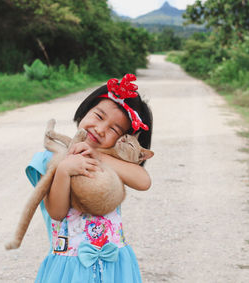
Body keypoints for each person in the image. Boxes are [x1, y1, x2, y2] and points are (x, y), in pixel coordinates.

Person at [25, 74, 153, 283]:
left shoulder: (112, 163)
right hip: (69, 268)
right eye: (99, 116)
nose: (100, 129)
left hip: (114, 266)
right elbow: (56, 212)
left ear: (123, 139)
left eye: (114, 129)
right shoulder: (52, 159)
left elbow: (144, 181)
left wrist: (99, 155)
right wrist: (65, 170)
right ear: (85, 110)